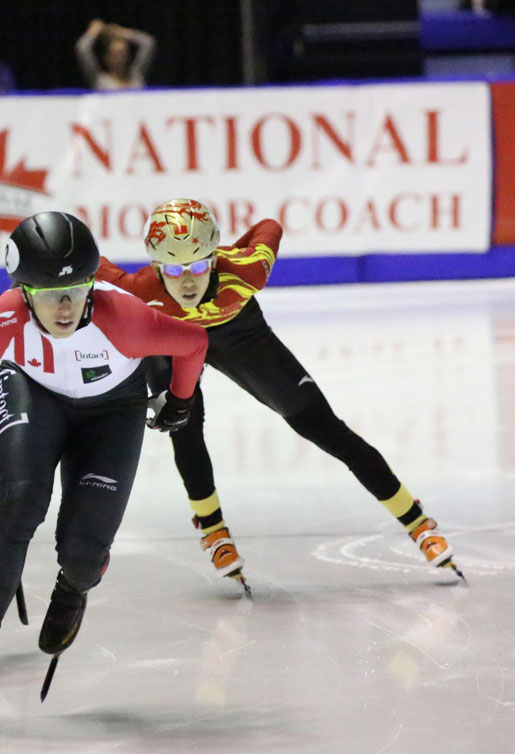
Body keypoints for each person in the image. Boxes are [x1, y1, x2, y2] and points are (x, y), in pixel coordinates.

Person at [0, 211, 208, 729]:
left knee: (84, 556)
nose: (64, 306)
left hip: (113, 409)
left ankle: (74, 586)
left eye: (77, 290)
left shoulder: (124, 320)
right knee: (20, 507)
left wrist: (181, 400)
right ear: (22, 292)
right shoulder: (4, 317)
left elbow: (193, 343)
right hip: (33, 391)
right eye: (47, 292)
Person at [95, 198, 462, 592]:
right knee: (183, 426)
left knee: (322, 426)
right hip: (172, 339)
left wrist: (234, 251)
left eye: (199, 264)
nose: (187, 281)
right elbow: (86, 264)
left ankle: (417, 522)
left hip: (240, 334)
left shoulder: (248, 271)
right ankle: (214, 530)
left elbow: (268, 224)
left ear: (215, 258)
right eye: (173, 269)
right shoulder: (137, 290)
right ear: (154, 266)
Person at [74, 19, 156, 90]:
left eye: (123, 53)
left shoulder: (136, 74)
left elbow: (148, 43)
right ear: (105, 57)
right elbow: (82, 48)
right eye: (115, 54)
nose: (120, 58)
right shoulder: (99, 79)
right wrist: (93, 32)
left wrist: (123, 32)